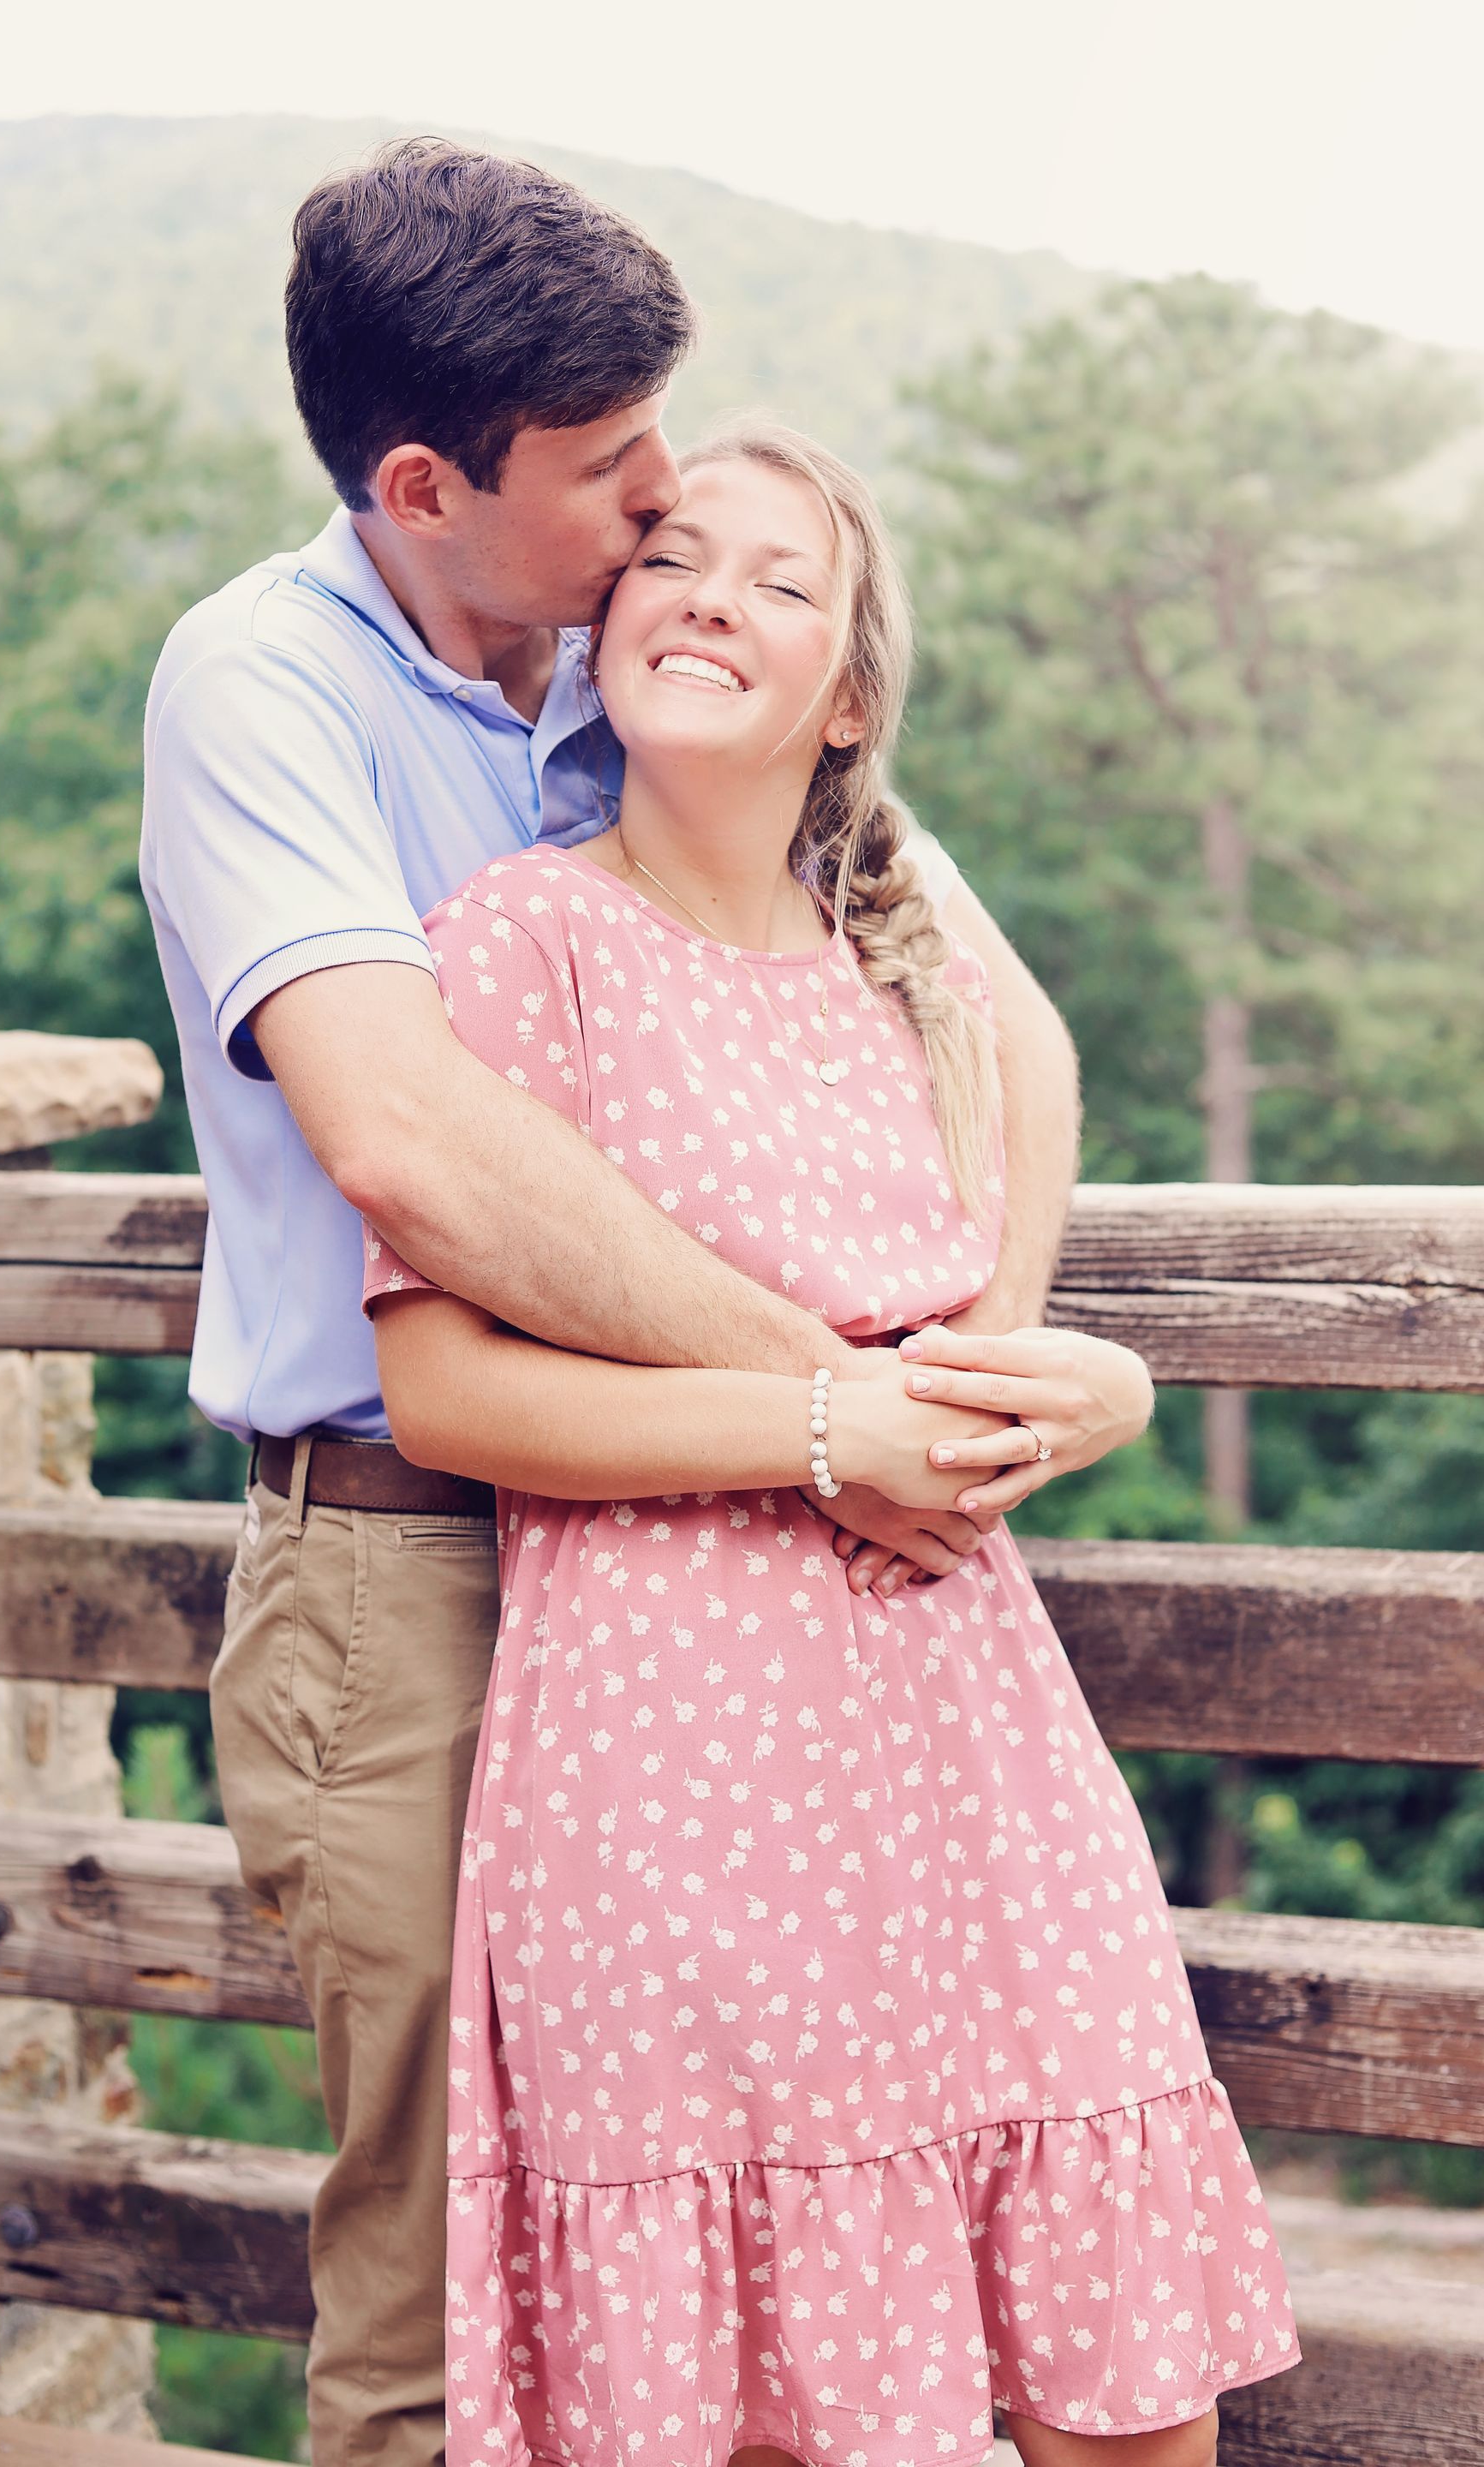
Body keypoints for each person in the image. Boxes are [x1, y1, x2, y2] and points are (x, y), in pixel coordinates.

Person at [142, 139, 1141, 2467]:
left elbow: (1007, 1034)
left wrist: (981, 1383)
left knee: (737, 2273)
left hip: (739, 1605)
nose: (663, 503)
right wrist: (843, 1410)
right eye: (612, 476)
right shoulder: (264, 688)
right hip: (410, 1561)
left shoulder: (652, 667)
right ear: (422, 482)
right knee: (448, 2310)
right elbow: (410, 1146)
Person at [364, 424, 1298, 2467]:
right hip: (671, 1733)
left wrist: (1088, 1385)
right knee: (765, 2389)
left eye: (780, 581)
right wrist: (814, 1426)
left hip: (965, 1714)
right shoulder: (521, 942)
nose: (707, 594)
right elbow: (445, 1392)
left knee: (1122, 2385)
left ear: (847, 692)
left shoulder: (915, 971)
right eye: (674, 555)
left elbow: (994, 1265)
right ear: (608, 619)